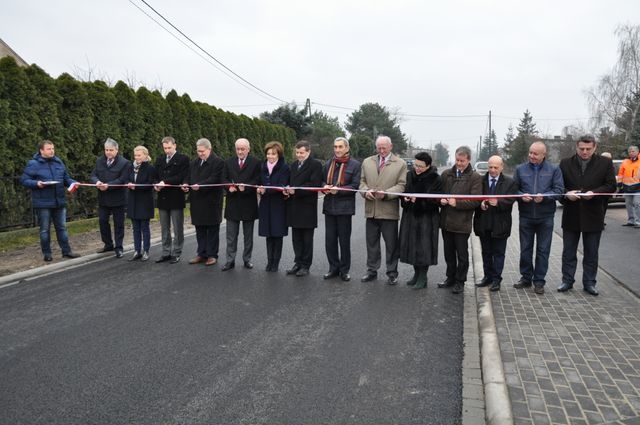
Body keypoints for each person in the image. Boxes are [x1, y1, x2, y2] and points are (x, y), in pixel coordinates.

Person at [558, 135, 616, 296]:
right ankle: (567, 281)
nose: (585, 152)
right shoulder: (565, 163)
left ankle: (590, 283)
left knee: (591, 252)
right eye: (581, 149)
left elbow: (611, 185)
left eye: (588, 149)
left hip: (594, 215)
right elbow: (557, 186)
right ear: (576, 147)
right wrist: (566, 194)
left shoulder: (605, 163)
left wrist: (595, 193)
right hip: (571, 214)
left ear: (595, 148)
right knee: (568, 252)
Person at [512, 141, 564, 295]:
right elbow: (513, 190)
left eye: (535, 153)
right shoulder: (520, 169)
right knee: (525, 249)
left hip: (545, 217)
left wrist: (545, 197)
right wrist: (522, 196)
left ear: (543, 155)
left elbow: (559, 191)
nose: (531, 156)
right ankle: (526, 278)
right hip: (526, 216)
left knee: (543, 250)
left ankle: (539, 281)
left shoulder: (554, 170)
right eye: (530, 152)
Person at [20, 140, 80, 262]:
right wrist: (37, 183)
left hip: (59, 201)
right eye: (49, 149)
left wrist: (73, 182)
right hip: (43, 203)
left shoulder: (58, 162)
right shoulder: (33, 164)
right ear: (41, 150)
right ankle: (47, 254)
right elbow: (24, 180)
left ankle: (66, 251)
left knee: (62, 228)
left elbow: (65, 178)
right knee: (44, 229)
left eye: (53, 148)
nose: (52, 151)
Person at [359, 135, 407, 285]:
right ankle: (371, 270)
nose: (381, 150)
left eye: (384, 147)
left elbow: (401, 185)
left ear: (391, 147)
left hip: (388, 211)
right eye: (379, 148)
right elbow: (362, 181)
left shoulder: (400, 164)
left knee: (391, 244)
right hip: (371, 210)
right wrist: (365, 191)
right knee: (371, 243)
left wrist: (387, 194)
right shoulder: (367, 162)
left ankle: (392, 272)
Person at [437, 146, 482, 294]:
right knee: (448, 253)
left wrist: (457, 203)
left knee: (462, 255)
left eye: (462, 161)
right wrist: (441, 200)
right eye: (457, 160)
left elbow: (475, 201)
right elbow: (437, 193)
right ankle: (450, 278)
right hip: (446, 222)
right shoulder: (446, 174)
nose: (459, 163)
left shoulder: (474, 178)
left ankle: (460, 281)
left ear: (469, 160)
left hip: (462, 223)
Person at [473, 155, 517, 292]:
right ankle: (487, 277)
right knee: (486, 252)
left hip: (500, 224)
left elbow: (510, 200)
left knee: (498, 253)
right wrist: (480, 204)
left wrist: (499, 203)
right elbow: (474, 198)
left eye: (495, 167)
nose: (492, 170)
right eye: (490, 167)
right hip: (484, 222)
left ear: (501, 167)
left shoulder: (509, 182)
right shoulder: (480, 181)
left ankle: (497, 279)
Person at [399, 151, 442, 289]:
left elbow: (436, 201)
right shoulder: (409, 175)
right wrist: (405, 199)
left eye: (421, 166)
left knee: (424, 249)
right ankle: (416, 274)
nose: (417, 168)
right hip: (410, 216)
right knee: (411, 246)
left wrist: (418, 201)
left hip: (426, 219)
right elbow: (404, 192)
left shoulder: (435, 178)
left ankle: (423, 277)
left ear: (428, 166)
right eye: (415, 165)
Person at [321, 137, 361, 282]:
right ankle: (333, 268)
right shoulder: (328, 164)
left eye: (340, 147)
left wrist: (339, 190)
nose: (337, 150)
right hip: (329, 208)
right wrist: (324, 186)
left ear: (347, 148)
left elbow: (355, 186)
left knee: (344, 241)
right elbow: (322, 180)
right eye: (335, 147)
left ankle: (344, 270)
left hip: (345, 209)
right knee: (330, 241)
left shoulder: (355, 165)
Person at [182, 138, 225, 266]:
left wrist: (200, 185)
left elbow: (215, 179)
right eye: (198, 151)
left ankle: (212, 255)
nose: (200, 154)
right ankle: (201, 253)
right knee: (199, 228)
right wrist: (185, 184)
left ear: (209, 149)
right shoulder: (194, 162)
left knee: (212, 229)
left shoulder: (218, 162)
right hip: (197, 200)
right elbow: (188, 176)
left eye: (202, 151)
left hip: (211, 201)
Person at [221, 138, 261, 271]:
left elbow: (258, 179)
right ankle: (229, 260)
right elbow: (223, 179)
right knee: (231, 236)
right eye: (238, 149)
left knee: (248, 236)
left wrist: (248, 187)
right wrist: (228, 188)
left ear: (248, 149)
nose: (240, 151)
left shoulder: (255, 162)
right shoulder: (228, 162)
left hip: (248, 203)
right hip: (233, 203)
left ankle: (247, 260)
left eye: (242, 149)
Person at [285, 140, 323, 277]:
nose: (299, 155)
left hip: (307, 207)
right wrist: (287, 190)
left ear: (308, 152)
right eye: (297, 152)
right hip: (294, 206)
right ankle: (298, 262)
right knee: (296, 238)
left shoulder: (315, 165)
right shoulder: (294, 165)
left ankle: (306, 265)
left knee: (307, 239)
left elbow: (314, 184)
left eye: (302, 152)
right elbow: (291, 182)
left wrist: (297, 191)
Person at [90, 137, 131, 258]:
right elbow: (93, 175)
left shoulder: (124, 163)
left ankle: (119, 247)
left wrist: (109, 186)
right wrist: (97, 182)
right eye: (106, 150)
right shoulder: (99, 161)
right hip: (103, 198)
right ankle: (108, 244)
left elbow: (122, 179)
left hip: (118, 198)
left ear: (116, 150)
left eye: (111, 150)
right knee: (103, 221)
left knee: (118, 224)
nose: (108, 152)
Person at [153, 136, 190, 264]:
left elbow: (182, 176)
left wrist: (165, 181)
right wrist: (156, 185)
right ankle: (165, 252)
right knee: (164, 227)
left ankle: (177, 252)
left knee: (177, 227)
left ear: (175, 145)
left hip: (175, 197)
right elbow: (155, 175)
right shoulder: (160, 159)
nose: (167, 151)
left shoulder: (183, 159)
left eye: (169, 147)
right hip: (162, 198)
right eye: (165, 148)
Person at [257, 141, 291, 272]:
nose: (270, 156)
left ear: (279, 154)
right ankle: (269, 260)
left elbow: (282, 184)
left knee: (277, 234)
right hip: (265, 204)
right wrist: (260, 189)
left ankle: (276, 262)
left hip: (279, 204)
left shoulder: (284, 168)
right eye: (268, 154)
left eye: (273, 154)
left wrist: (266, 189)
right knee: (268, 234)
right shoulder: (262, 166)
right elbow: (259, 182)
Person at [126, 146, 156, 262]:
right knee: (135, 228)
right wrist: (129, 183)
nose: (137, 157)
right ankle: (137, 250)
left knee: (144, 227)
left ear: (145, 155)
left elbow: (150, 184)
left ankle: (146, 251)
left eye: (139, 155)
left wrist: (136, 186)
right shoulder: (130, 167)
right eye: (135, 155)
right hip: (133, 201)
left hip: (144, 202)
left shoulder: (150, 168)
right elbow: (126, 179)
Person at [617, 145, 640, 227]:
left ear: (638, 152)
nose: (631, 153)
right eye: (629, 151)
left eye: (633, 151)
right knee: (628, 204)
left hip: (638, 187)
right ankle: (631, 220)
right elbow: (620, 173)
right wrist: (619, 184)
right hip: (627, 187)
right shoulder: (625, 161)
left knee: (637, 204)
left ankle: (638, 222)